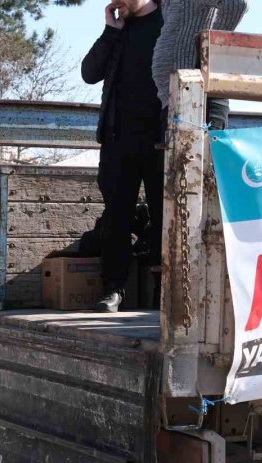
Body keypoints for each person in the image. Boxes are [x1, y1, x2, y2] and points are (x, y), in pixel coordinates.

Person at [82, 0, 164, 313]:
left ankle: (162, 293)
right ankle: (113, 289)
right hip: (119, 139)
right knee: (116, 217)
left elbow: (203, 67)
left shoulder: (171, 22)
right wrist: (109, 31)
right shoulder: (118, 30)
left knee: (164, 218)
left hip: (163, 141)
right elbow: (89, 74)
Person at [152, 0, 248, 131]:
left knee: (198, 150)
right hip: (178, 97)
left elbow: (235, 4)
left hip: (199, 97)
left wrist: (210, 46)